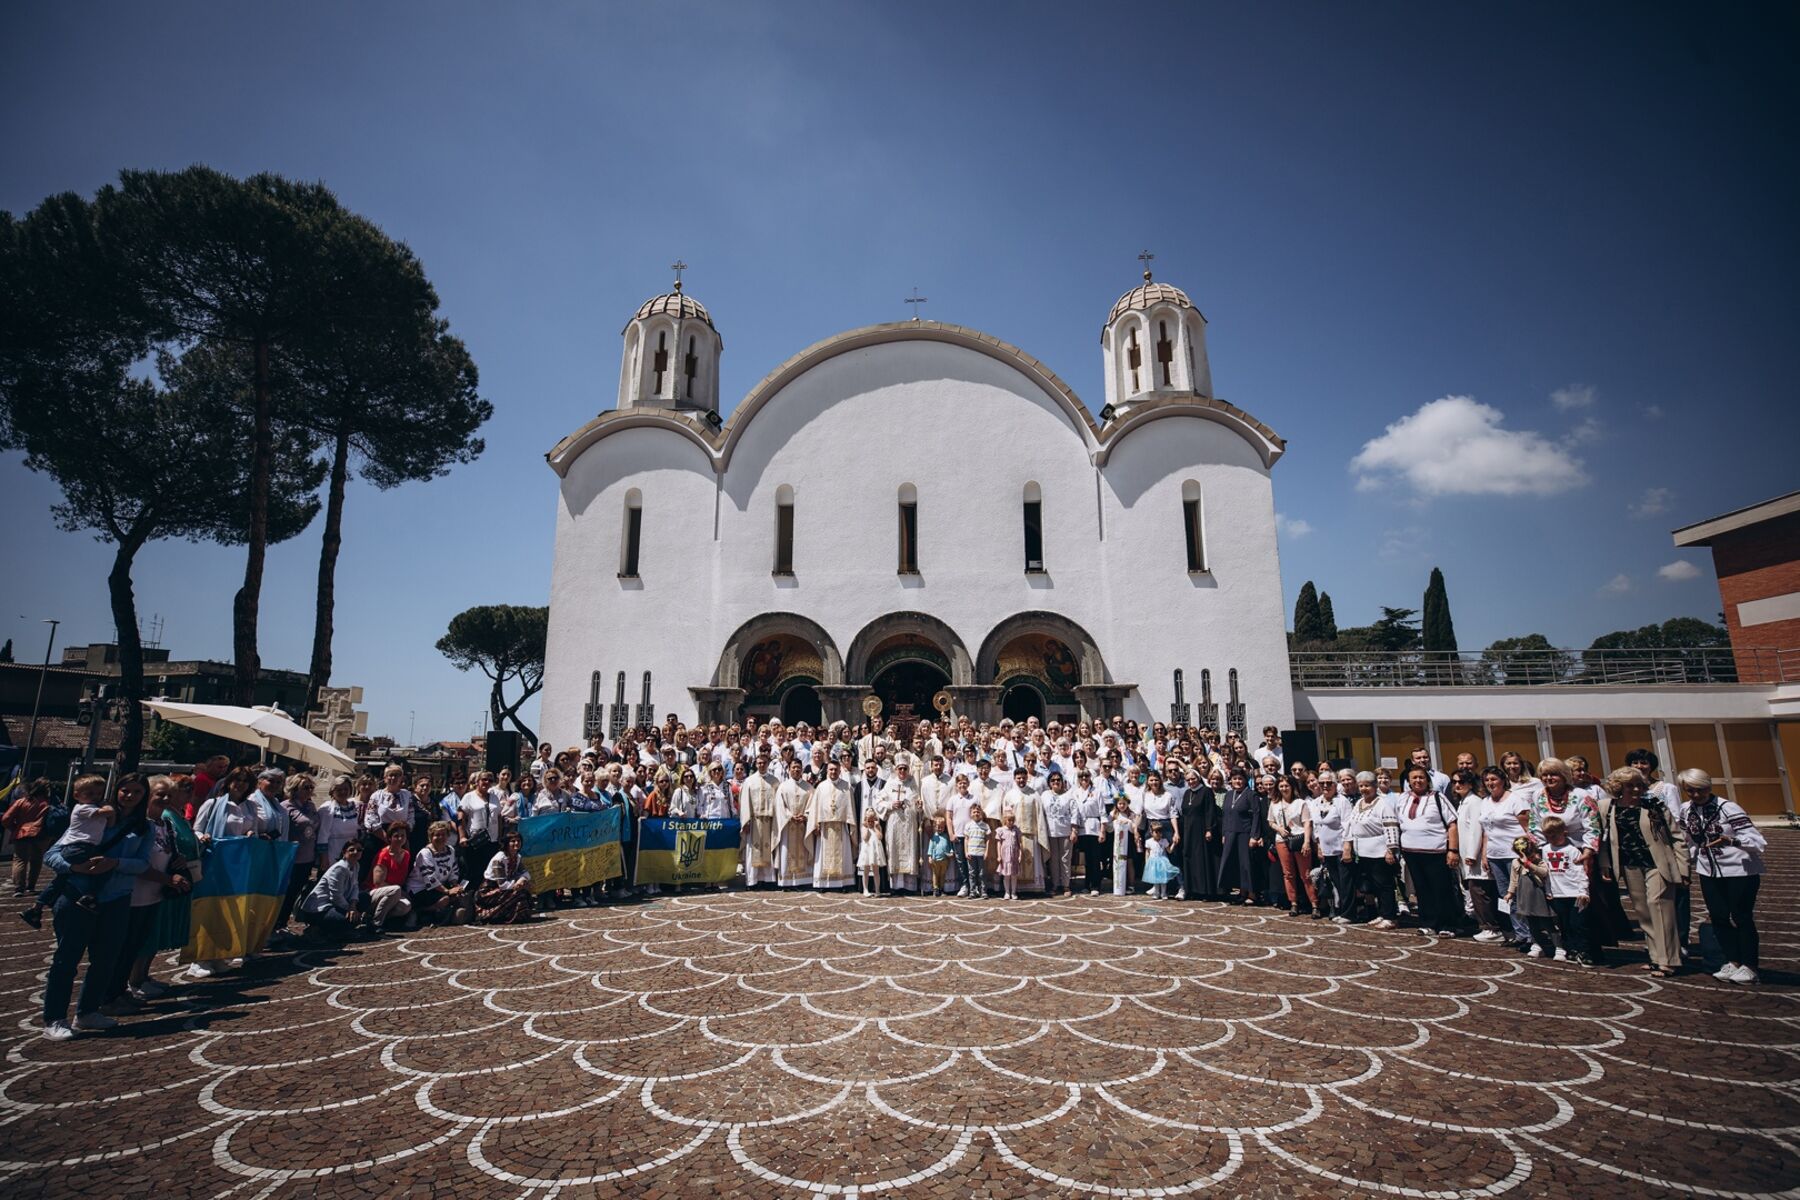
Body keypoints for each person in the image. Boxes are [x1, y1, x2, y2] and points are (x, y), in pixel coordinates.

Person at [40, 773, 154, 1040]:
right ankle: (54, 1018)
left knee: (105, 959)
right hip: (77, 896)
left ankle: (88, 1012)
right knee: (66, 959)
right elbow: (52, 854)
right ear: (116, 791)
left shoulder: (144, 827)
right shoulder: (92, 816)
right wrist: (75, 867)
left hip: (116, 898)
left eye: (137, 792)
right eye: (126, 790)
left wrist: (116, 864)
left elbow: (143, 864)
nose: (130, 796)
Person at [1677, 768, 1766, 985]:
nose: (1696, 795)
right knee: (1718, 916)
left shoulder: (1728, 808)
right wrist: (1684, 865)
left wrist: (1732, 841)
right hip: (1708, 870)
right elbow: (1686, 840)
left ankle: (1750, 965)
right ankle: (1732, 961)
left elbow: (1758, 842)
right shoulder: (1686, 810)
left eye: (1701, 789)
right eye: (1691, 791)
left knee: (1742, 916)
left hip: (1739, 870)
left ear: (1709, 787)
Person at [1601, 766, 1684, 976]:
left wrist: (1683, 868)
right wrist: (1605, 864)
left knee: (1659, 906)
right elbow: (1602, 838)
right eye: (1630, 786)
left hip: (1657, 863)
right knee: (1643, 911)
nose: (1636, 790)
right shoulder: (1607, 807)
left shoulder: (1654, 806)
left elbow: (1676, 836)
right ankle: (1655, 957)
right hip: (1629, 864)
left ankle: (1669, 960)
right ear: (1619, 787)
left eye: (1639, 785)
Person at [20, 774, 114, 927]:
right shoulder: (82, 808)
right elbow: (109, 814)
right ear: (76, 795)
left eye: (99, 794)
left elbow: (110, 823)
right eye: (90, 794)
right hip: (80, 847)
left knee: (61, 879)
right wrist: (109, 806)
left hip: (82, 847)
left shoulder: (93, 808)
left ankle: (37, 907)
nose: (96, 797)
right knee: (105, 868)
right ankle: (90, 896)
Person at [1395, 765, 1460, 935]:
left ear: (1428, 780)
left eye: (1421, 777)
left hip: (1435, 852)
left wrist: (1452, 850)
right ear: (1408, 781)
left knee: (1441, 888)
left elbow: (1452, 824)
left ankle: (1447, 925)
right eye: (1414, 778)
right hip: (1411, 852)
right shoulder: (1402, 799)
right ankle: (1428, 922)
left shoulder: (1437, 798)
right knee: (1421, 889)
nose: (1418, 781)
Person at [1474, 767, 1532, 948]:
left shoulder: (1515, 799)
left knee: (1521, 894)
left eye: (1493, 779)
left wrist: (1529, 854)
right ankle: (1517, 932)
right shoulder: (1485, 802)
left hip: (1514, 855)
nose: (1490, 783)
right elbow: (1486, 831)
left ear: (1502, 780)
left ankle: (1530, 934)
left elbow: (1527, 828)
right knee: (1505, 895)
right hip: (1495, 854)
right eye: (1487, 780)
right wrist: (1484, 854)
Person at [1343, 772, 1401, 928]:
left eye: (1367, 785)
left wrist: (1391, 849)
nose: (1364, 789)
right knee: (1373, 885)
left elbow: (1390, 826)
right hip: (1363, 851)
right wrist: (1348, 845)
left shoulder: (1382, 804)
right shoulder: (1359, 803)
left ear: (1375, 786)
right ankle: (1381, 913)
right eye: (1361, 786)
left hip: (1379, 851)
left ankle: (1390, 916)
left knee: (1385, 884)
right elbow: (1351, 825)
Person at [1539, 816, 1592, 965]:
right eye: (1547, 836)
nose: (1551, 839)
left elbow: (1580, 872)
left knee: (1578, 924)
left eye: (1554, 836)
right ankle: (1571, 949)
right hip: (1557, 893)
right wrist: (1548, 891)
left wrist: (1583, 891)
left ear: (1564, 832)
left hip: (1574, 893)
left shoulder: (1572, 850)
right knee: (1564, 924)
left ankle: (1584, 951)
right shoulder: (1545, 849)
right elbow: (1547, 874)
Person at [273, 773, 320, 939]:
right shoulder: (286, 807)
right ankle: (276, 925)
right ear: (294, 788)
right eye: (305, 787)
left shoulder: (311, 806)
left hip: (307, 858)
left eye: (311, 787)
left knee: (294, 893)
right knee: (285, 892)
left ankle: (283, 924)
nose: (309, 791)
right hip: (291, 858)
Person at [1268, 775, 1317, 917]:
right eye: (1281, 786)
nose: (1284, 788)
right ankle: (1293, 903)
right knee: (1288, 874)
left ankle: (1314, 903)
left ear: (1292, 787)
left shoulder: (1301, 803)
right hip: (1282, 840)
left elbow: (1307, 823)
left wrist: (1307, 841)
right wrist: (1279, 829)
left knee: (1305, 874)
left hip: (1299, 839)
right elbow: (1270, 821)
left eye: (1286, 786)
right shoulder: (1274, 803)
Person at [298, 843, 366, 942]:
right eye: (351, 850)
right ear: (344, 852)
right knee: (344, 920)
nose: (356, 852)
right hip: (320, 909)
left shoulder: (356, 865)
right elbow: (336, 896)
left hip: (338, 904)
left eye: (359, 850)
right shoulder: (339, 868)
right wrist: (350, 909)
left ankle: (340, 930)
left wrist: (353, 906)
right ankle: (317, 928)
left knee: (365, 897)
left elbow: (355, 886)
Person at [1214, 769, 1262, 904]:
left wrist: (1254, 836)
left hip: (1245, 833)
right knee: (1235, 863)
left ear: (1245, 780)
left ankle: (1252, 893)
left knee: (1246, 864)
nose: (1237, 781)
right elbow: (1225, 816)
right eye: (1235, 779)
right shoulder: (1229, 795)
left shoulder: (1251, 795)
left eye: (1240, 779)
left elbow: (1256, 816)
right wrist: (1224, 833)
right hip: (1230, 833)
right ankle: (1242, 891)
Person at [807, 761, 857, 890]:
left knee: (842, 855)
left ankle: (842, 883)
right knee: (823, 855)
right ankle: (823, 883)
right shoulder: (821, 787)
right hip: (825, 828)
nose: (833, 772)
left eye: (835, 770)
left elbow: (850, 808)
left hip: (841, 827)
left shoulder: (846, 787)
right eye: (831, 770)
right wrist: (816, 824)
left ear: (840, 771)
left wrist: (850, 825)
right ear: (827, 771)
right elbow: (815, 807)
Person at [408, 821, 469, 925]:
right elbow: (430, 878)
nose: (440, 837)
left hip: (438, 888)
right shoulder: (425, 853)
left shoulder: (450, 850)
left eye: (443, 834)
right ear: (431, 837)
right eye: (437, 835)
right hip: (420, 889)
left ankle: (437, 915)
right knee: (446, 899)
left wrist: (455, 885)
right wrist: (447, 891)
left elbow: (453, 870)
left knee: (460, 895)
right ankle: (419, 911)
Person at [1504, 836, 1555, 959]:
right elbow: (1514, 880)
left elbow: (1543, 873)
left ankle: (1558, 946)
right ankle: (1537, 944)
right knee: (1531, 922)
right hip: (1525, 896)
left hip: (1539, 895)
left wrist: (1529, 864)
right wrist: (1510, 893)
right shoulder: (1516, 862)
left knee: (1547, 922)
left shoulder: (1539, 861)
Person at [877, 760, 922, 896]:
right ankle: (896, 886)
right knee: (894, 851)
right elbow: (878, 801)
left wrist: (919, 807)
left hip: (909, 825)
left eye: (904, 768)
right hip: (894, 824)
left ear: (908, 769)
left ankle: (909, 886)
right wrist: (891, 804)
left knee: (909, 851)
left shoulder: (913, 784)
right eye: (900, 769)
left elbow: (918, 803)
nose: (902, 771)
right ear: (896, 770)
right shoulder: (890, 784)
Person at [4, 778, 54, 898]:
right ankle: (31, 886)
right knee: (36, 861)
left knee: (20, 860)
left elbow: (6, 818)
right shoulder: (49, 803)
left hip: (22, 833)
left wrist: (14, 828)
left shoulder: (22, 801)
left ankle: (19, 888)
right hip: (42, 835)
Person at [365, 823, 415, 935]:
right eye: (396, 836)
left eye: (403, 836)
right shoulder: (384, 855)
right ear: (389, 838)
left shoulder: (406, 855)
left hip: (393, 893)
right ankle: (376, 924)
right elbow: (377, 882)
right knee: (396, 890)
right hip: (374, 893)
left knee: (405, 906)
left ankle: (374, 918)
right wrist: (400, 892)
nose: (400, 839)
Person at [477, 831, 535, 924]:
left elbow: (525, 873)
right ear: (507, 843)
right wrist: (518, 884)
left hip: (507, 887)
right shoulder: (499, 859)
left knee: (523, 891)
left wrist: (522, 880)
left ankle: (513, 915)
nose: (516, 843)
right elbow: (502, 884)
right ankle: (491, 915)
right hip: (490, 891)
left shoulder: (517, 857)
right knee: (521, 892)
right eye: (513, 841)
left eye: (518, 841)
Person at [773, 760, 813, 889]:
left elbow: (812, 805)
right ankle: (787, 881)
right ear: (789, 769)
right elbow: (779, 806)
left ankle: (802, 881)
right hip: (787, 825)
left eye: (798, 768)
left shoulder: (809, 788)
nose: (796, 770)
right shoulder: (783, 787)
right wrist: (790, 816)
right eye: (793, 767)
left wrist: (805, 815)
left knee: (803, 851)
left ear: (802, 770)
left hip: (802, 826)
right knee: (787, 852)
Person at [1071, 770, 1107, 896]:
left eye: (1086, 776)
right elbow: (1074, 811)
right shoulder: (1075, 792)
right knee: (1086, 859)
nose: (1084, 778)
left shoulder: (1096, 792)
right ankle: (1086, 884)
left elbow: (1103, 813)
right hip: (1082, 828)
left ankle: (1095, 885)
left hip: (1094, 827)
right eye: (1081, 776)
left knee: (1095, 858)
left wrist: (1102, 830)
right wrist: (1074, 829)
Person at [1109, 796, 1137, 897]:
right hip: (1117, 842)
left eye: (1124, 804)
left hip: (1128, 841)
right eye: (1120, 804)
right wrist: (1115, 823)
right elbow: (1109, 828)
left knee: (1129, 862)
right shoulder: (1113, 814)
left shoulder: (1131, 814)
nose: (1122, 806)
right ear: (1116, 804)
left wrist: (1128, 823)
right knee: (1117, 862)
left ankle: (1131, 885)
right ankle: (1118, 884)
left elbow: (1134, 828)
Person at [962, 804, 993, 899]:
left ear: (981, 813)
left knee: (982, 873)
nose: (976, 814)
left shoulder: (985, 826)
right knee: (972, 873)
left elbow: (988, 840)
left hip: (981, 853)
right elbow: (966, 839)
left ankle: (983, 891)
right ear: (971, 814)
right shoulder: (968, 825)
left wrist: (987, 852)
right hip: (971, 853)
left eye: (978, 812)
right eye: (974, 812)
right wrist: (966, 852)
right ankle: (972, 892)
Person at [1143, 822, 1178, 900]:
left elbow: (1169, 851)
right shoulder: (1149, 842)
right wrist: (1147, 861)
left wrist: (1174, 844)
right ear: (1151, 833)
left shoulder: (1164, 841)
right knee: (1155, 878)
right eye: (1156, 832)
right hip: (1153, 862)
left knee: (1163, 878)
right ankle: (1156, 893)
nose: (1158, 834)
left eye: (1160, 832)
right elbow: (1147, 852)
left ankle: (1164, 893)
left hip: (1162, 862)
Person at [994, 809, 1022, 900]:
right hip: (1005, 856)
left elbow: (1019, 843)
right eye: (1009, 820)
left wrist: (1020, 854)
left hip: (1014, 855)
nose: (1011, 822)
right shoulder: (1001, 830)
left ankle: (1013, 892)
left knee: (1014, 875)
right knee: (1006, 875)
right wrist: (999, 855)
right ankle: (1007, 892)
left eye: (1012, 820)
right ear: (1005, 820)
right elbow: (998, 843)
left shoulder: (1016, 830)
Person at [857, 810, 886, 896]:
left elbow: (880, 837)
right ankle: (865, 890)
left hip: (875, 851)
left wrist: (876, 827)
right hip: (867, 851)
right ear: (865, 820)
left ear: (875, 820)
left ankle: (877, 890)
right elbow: (865, 838)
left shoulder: (877, 827)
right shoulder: (864, 828)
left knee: (876, 871)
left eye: (872, 821)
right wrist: (866, 827)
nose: (870, 823)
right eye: (868, 821)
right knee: (866, 871)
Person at [926, 818, 953, 896]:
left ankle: (941, 889)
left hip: (944, 859)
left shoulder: (946, 837)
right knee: (935, 874)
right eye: (938, 826)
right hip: (935, 860)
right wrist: (929, 857)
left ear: (944, 827)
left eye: (942, 827)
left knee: (942, 875)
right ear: (934, 826)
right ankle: (935, 889)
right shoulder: (933, 837)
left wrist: (951, 852)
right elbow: (930, 848)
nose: (940, 828)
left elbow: (950, 846)